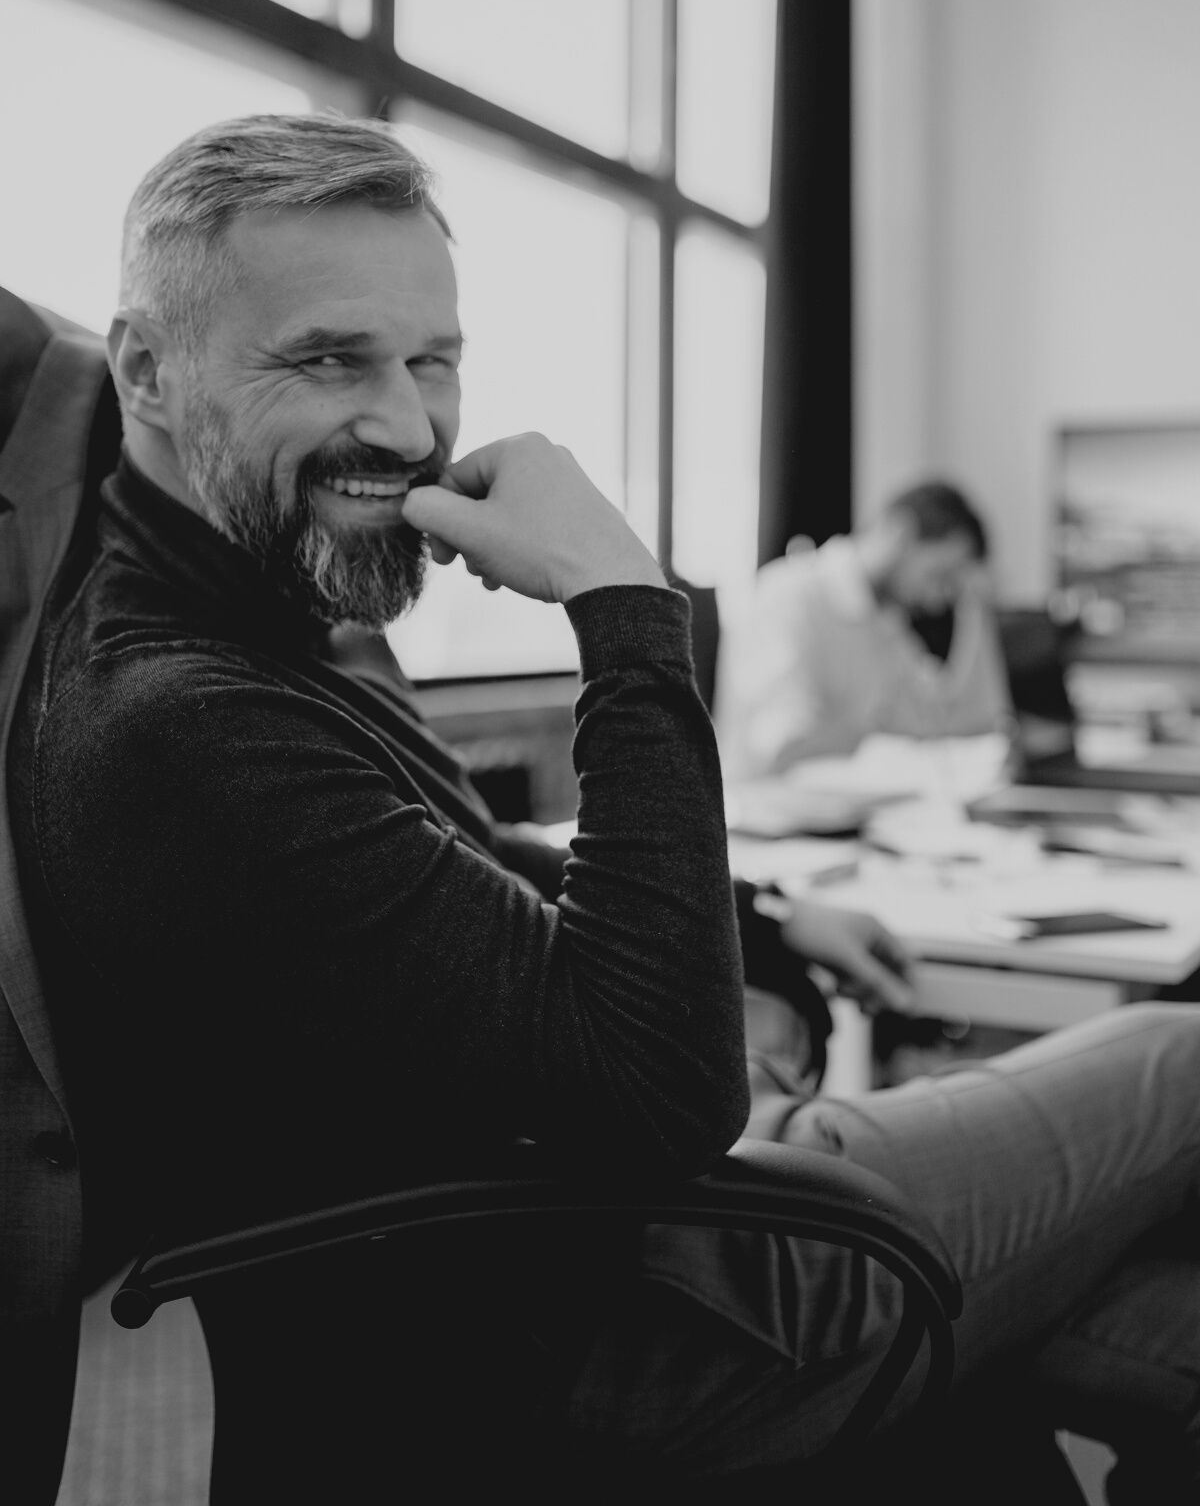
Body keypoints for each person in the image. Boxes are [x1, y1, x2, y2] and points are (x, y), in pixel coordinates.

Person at [9, 115, 1200, 1500]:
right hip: (620, 1318)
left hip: (598, 1246)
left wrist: (760, 913)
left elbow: (453, 867)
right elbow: (662, 1097)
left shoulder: (267, 615)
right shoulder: (180, 719)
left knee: (1155, 1290)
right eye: (328, 358)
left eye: (431, 358)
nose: (404, 424)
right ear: (146, 371)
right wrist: (623, 608)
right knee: (1179, 1055)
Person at [715, 482, 1012, 780]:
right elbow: (781, 749)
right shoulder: (787, 595)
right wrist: (880, 747)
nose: (935, 602)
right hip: (766, 814)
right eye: (937, 576)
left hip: (847, 817)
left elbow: (932, 732)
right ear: (901, 533)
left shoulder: (890, 620)